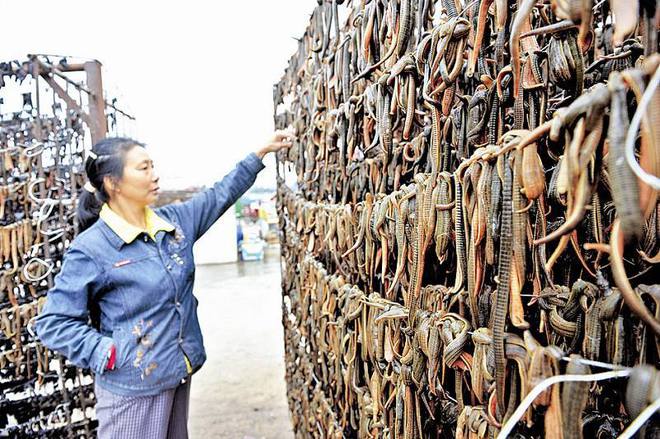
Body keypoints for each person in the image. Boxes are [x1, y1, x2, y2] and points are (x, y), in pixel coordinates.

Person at [34, 131, 293, 439]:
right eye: (144, 168)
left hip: (176, 373)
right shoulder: (92, 249)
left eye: (153, 166)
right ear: (112, 183)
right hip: (132, 387)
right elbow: (53, 323)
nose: (155, 176)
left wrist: (260, 153)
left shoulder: (173, 224)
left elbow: (219, 195)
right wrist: (110, 352)